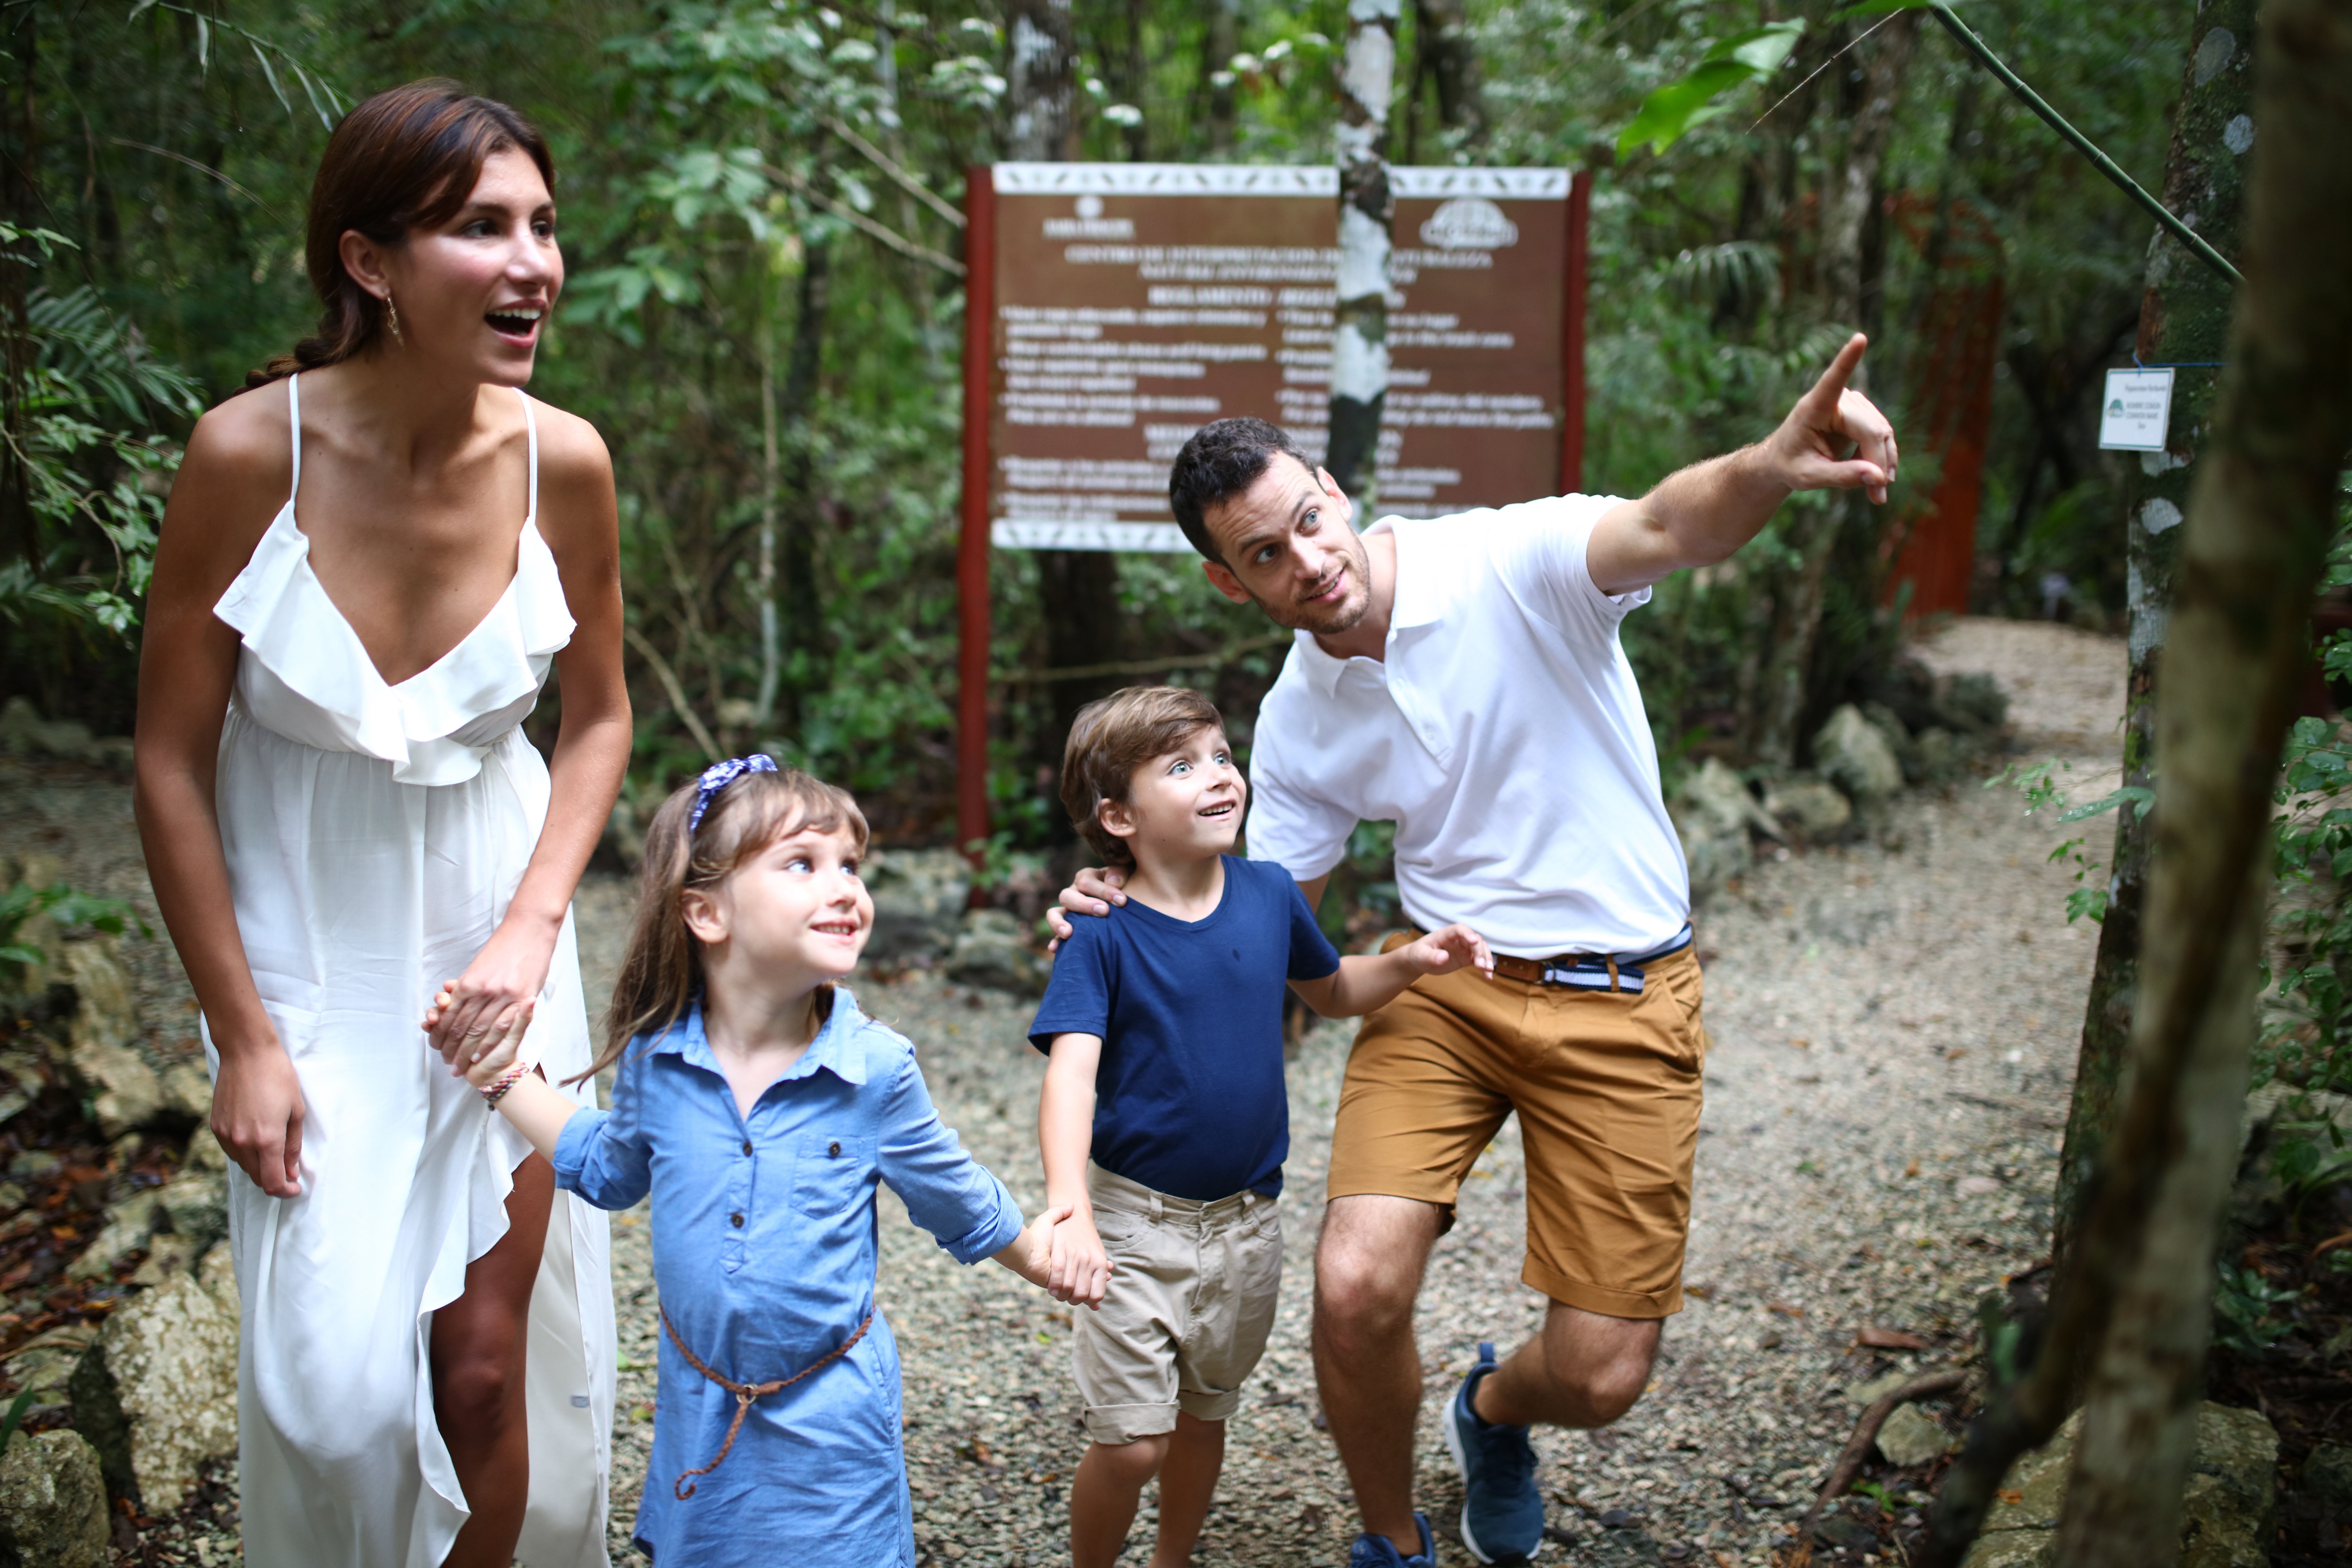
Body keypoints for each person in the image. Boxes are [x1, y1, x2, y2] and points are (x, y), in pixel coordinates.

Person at [1047, 338, 1899, 1566]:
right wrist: (1123, 903)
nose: (1306, 562)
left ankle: (1490, 1407)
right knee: (1354, 1283)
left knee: (1604, 1374)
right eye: (1265, 556)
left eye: (1306, 523)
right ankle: (1394, 1538)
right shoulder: (1297, 718)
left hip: (1624, 987)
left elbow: (1668, 523)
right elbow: (1248, 918)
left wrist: (1771, 462)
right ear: (1232, 583)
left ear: (1336, 491)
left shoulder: (1510, 559)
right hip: (1442, 983)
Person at [133, 82, 627, 1567]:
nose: (535, 261)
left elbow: (596, 716)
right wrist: (244, 1040)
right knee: (335, 1401)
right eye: (484, 228)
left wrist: (533, 933)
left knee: (480, 1378)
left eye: (544, 226)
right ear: (369, 261)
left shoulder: (568, 463)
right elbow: (166, 758)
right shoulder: (243, 459)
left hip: (496, 934)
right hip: (307, 943)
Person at [446, 758, 1070, 1562]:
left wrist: (1049, 1259)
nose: (845, 887)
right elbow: (608, 1168)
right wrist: (498, 1074)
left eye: (852, 865)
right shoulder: (656, 1063)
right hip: (702, 1416)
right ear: (706, 914)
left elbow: (956, 1195)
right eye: (804, 865)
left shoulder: (875, 1071)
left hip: (834, 1421)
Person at [1031, 686, 1492, 1568]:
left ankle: (1172, 1559)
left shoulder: (1270, 893)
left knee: (1206, 1416)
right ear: (1118, 816)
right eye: (1181, 767)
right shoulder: (1103, 931)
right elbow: (1071, 1078)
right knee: (1133, 1442)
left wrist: (1412, 961)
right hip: (1135, 1225)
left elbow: (1330, 991)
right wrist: (1069, 1209)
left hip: (1249, 1227)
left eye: (1221, 758)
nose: (1219, 780)